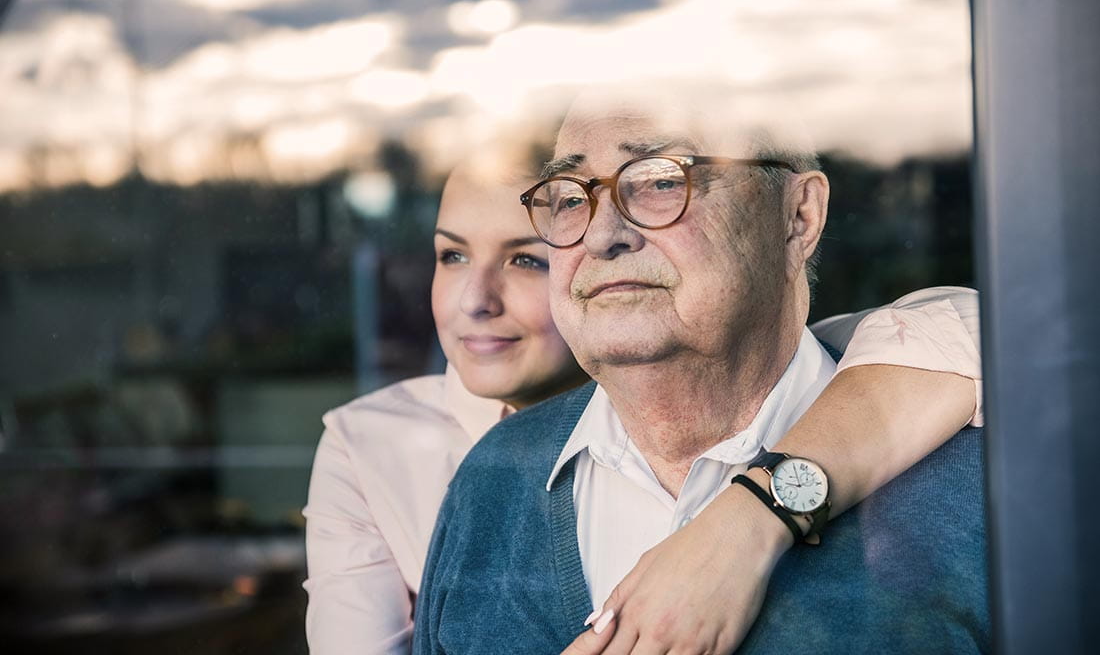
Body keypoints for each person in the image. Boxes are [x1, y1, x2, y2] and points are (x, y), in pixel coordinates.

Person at [305, 137, 982, 654]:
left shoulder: (957, 450)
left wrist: (748, 521)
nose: (602, 233)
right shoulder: (485, 478)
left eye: (661, 181)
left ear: (798, 214)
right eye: (570, 198)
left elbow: (1006, 332)